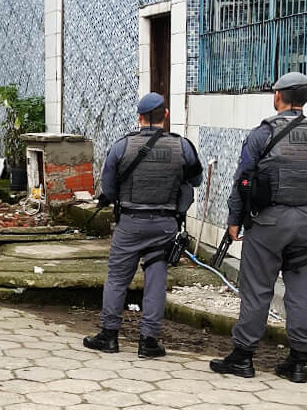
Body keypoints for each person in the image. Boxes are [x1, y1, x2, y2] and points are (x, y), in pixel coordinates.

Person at [83, 93, 203, 358]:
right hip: (165, 225)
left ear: (139, 117)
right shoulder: (182, 146)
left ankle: (109, 336)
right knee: (156, 280)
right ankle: (148, 341)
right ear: (166, 115)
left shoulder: (122, 146)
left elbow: (110, 188)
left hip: (130, 223)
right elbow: (195, 181)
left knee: (117, 278)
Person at [211, 72, 307, 383]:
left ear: (278, 97)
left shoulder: (261, 134)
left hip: (268, 223)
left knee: (256, 289)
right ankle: (300, 362)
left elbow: (243, 181)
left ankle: (242, 358)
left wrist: (234, 220)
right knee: (302, 291)